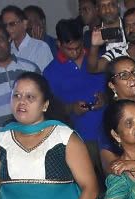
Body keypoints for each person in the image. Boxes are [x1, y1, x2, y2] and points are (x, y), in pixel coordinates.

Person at [46, 19, 109, 164]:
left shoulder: (97, 60)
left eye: (78, 47)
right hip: (79, 139)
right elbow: (52, 108)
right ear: (59, 45)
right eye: (69, 49)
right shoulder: (51, 72)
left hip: (107, 133)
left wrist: (105, 98)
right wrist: (71, 108)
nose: (75, 52)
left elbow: (115, 88)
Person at [2, 4, 56, 71]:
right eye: (5, 25)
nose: (7, 28)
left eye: (12, 24)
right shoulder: (6, 50)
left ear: (24, 23)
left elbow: (47, 77)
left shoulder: (41, 47)